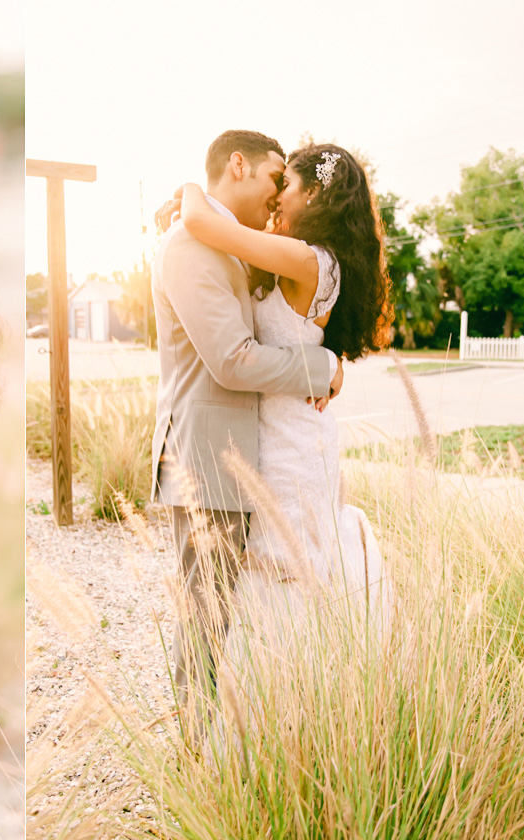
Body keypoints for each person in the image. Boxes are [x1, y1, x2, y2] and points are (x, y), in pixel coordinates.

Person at [169, 142, 394, 696]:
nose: (276, 195)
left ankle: (290, 703)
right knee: (266, 577)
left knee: (285, 571)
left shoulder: (309, 259)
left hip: (290, 438)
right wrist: (327, 367)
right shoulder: (293, 254)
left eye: (285, 184)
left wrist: (190, 191)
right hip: (275, 428)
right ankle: (272, 708)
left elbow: (202, 219)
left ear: (313, 194)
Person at [150, 130, 344, 736]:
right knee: (205, 622)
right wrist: (324, 368)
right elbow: (232, 360)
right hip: (206, 462)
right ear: (238, 163)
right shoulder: (187, 246)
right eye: (273, 175)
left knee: (235, 620)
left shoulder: (230, 245)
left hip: (249, 460)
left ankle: (235, 744)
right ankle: (194, 757)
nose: (278, 190)